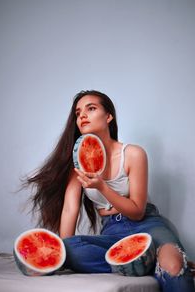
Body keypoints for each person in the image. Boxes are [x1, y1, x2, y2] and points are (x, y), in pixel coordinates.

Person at [25, 90, 195, 291]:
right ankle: (142, 261)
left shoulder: (133, 154)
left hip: (147, 225)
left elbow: (137, 211)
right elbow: (70, 210)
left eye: (91, 108)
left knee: (173, 264)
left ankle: (150, 259)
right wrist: (62, 253)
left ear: (108, 116)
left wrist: (102, 187)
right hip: (113, 234)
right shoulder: (77, 165)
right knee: (70, 248)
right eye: (78, 113)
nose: (82, 116)